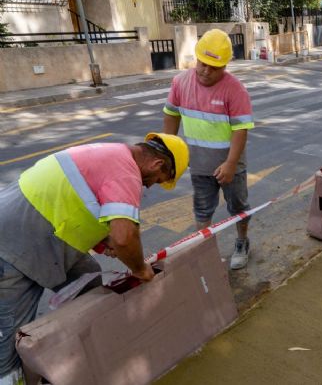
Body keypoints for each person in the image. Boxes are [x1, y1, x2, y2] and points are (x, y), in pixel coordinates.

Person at [0, 133, 189, 385]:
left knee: (89, 284)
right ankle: (9, 379)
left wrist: (101, 241)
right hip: (13, 246)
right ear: (157, 165)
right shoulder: (126, 172)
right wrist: (140, 269)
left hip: (44, 237)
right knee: (9, 336)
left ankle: (86, 356)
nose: (149, 186)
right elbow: (124, 237)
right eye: (156, 181)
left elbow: (75, 203)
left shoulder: (111, 153)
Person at [163, 29, 255, 271]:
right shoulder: (181, 82)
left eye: (214, 67)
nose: (206, 71)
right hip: (199, 164)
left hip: (230, 165)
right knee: (202, 210)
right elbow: (171, 115)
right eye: (203, 64)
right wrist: (168, 151)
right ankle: (204, 252)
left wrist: (231, 164)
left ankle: (242, 243)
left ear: (225, 66)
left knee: (238, 207)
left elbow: (240, 130)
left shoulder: (235, 90)